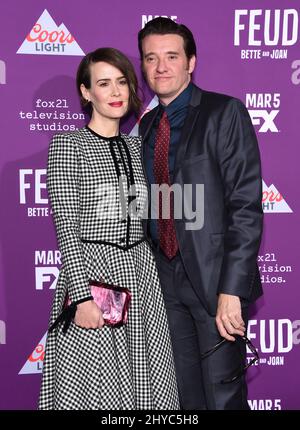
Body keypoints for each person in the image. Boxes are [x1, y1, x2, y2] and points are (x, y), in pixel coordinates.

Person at [38, 47, 179, 410]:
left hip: (141, 274)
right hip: (94, 273)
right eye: (103, 83)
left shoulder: (139, 145)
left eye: (121, 82)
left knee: (148, 382)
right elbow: (66, 227)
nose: (115, 92)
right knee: (94, 386)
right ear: (87, 92)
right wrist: (82, 298)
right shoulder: (68, 145)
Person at [138, 17, 263, 410]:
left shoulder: (223, 113)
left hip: (214, 283)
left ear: (190, 62)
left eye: (171, 56)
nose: (161, 67)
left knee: (223, 396)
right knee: (184, 398)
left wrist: (232, 291)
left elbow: (245, 206)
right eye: (151, 58)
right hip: (162, 282)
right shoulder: (145, 127)